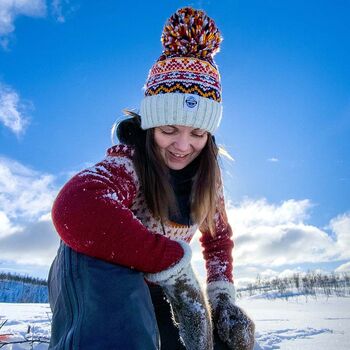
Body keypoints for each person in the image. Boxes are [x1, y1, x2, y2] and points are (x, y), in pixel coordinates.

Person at [48, 6, 255, 350]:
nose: (183, 146)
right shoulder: (128, 163)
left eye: (198, 134)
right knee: (123, 313)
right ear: (149, 127)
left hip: (156, 284)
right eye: (169, 129)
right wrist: (171, 263)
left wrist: (221, 299)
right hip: (99, 279)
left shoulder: (208, 181)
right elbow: (75, 205)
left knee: (205, 341)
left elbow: (217, 240)